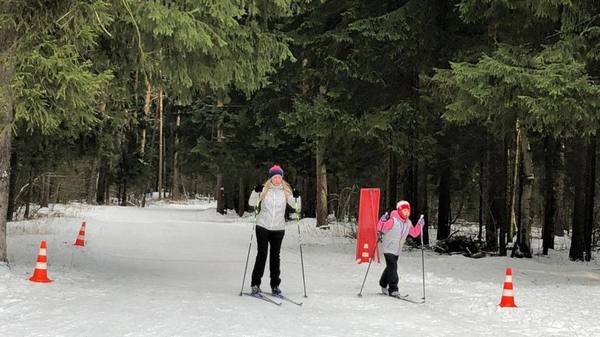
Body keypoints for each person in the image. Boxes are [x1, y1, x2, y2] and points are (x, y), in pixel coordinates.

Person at [248, 165, 301, 295]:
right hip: (263, 226)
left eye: (279, 177)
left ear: (282, 178)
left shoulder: (285, 191)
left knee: (275, 257)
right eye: (274, 177)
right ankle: (255, 284)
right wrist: (255, 192)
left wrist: (296, 196)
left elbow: (296, 206)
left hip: (278, 228)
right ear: (270, 178)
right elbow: (251, 203)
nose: (277, 179)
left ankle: (275, 286)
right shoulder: (264, 190)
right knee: (262, 254)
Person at [376, 200, 424, 297]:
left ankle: (383, 283)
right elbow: (381, 228)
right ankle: (393, 289)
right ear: (399, 211)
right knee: (393, 267)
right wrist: (382, 220)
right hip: (388, 248)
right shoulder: (393, 220)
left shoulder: (408, 223)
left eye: (408, 211)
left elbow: (414, 233)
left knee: (390, 267)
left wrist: (420, 225)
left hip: (397, 250)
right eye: (404, 211)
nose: (406, 213)